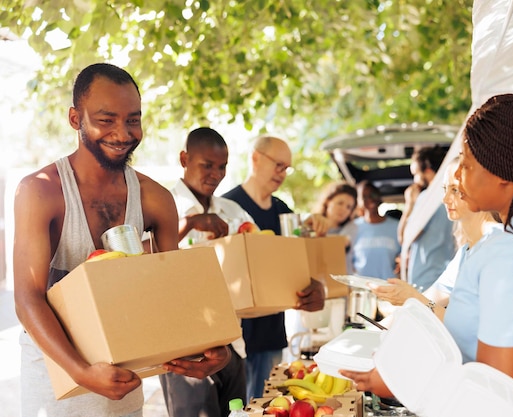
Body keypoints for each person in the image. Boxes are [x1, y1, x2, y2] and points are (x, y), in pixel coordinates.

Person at [342, 94, 513, 417]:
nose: (458, 174)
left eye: (467, 163)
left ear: (502, 172)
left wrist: (395, 379)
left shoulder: (512, 253)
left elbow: (496, 398)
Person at [13, 63, 231, 417]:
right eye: (106, 119)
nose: (122, 132)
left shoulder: (154, 198)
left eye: (133, 119)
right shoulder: (40, 191)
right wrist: (81, 372)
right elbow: (27, 299)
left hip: (125, 382)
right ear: (75, 119)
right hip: (56, 382)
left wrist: (208, 346)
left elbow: (170, 290)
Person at [221, 134, 329, 400]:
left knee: (269, 405)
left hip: (273, 335)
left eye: (287, 168)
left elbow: (300, 264)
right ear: (256, 158)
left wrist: (315, 228)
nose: (282, 173)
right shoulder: (228, 208)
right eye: (278, 165)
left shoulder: (284, 212)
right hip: (235, 339)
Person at [159, 127, 252, 417]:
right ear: (184, 158)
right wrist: (190, 223)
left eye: (222, 166)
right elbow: (142, 262)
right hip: (183, 344)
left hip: (231, 340)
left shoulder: (234, 211)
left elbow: (260, 255)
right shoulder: (161, 205)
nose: (216, 173)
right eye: (207, 165)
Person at [372, 158, 499, 308]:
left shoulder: (500, 243)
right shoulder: (464, 254)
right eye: (445, 189)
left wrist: (411, 298)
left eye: (455, 190)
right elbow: (429, 302)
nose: (445, 199)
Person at [400, 146, 456, 291]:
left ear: (428, 171)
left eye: (416, 173)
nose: (414, 180)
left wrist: (409, 204)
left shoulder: (427, 199)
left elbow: (404, 237)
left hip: (424, 280)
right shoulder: (453, 198)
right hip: (447, 280)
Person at [351, 180, 401, 279]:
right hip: (361, 288)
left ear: (379, 196)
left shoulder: (396, 226)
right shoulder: (353, 227)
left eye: (373, 195)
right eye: (364, 196)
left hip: (389, 286)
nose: (370, 199)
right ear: (358, 201)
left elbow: (406, 254)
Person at [310, 181, 358, 274]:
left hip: (342, 284)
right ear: (328, 201)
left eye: (348, 207)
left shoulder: (352, 227)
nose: (343, 209)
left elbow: (342, 242)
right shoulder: (312, 223)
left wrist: (317, 238)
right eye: (340, 203)